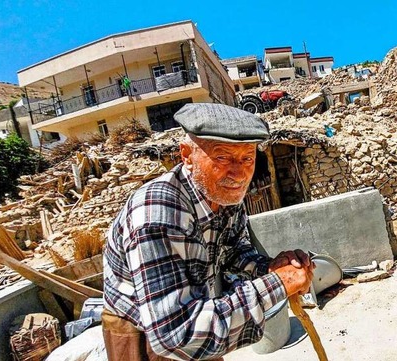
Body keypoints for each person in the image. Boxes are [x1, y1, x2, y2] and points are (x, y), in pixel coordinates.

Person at [102, 103, 315, 361]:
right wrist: (278, 283)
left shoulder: (224, 196)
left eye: (247, 158)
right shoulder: (157, 214)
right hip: (144, 333)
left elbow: (233, 251)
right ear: (186, 156)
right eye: (222, 157)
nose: (238, 173)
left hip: (201, 314)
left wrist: (269, 267)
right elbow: (176, 333)